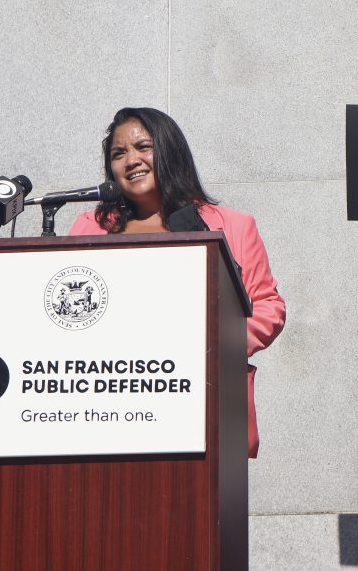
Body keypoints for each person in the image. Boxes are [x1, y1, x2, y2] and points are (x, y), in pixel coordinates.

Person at [69, 107, 286, 458]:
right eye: (118, 154)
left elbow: (268, 307)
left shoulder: (231, 225)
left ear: (170, 150)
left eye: (143, 147)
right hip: (108, 407)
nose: (131, 161)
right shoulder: (89, 227)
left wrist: (213, 345)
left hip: (205, 405)